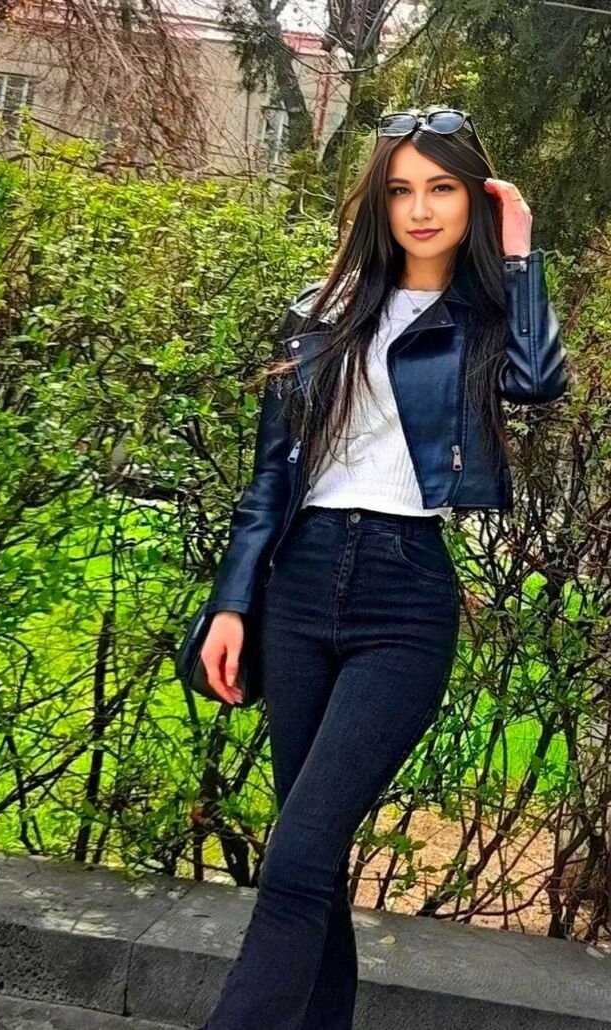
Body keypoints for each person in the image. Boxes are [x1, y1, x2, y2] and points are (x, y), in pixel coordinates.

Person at [197, 106, 568, 1030]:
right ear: (379, 203)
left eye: (442, 188)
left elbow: (536, 382)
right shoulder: (320, 311)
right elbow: (270, 477)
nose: (421, 209)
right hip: (299, 584)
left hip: (404, 595)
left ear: (473, 199)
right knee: (310, 863)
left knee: (297, 854)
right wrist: (234, 603)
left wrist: (520, 253)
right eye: (401, 190)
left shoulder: (485, 318)